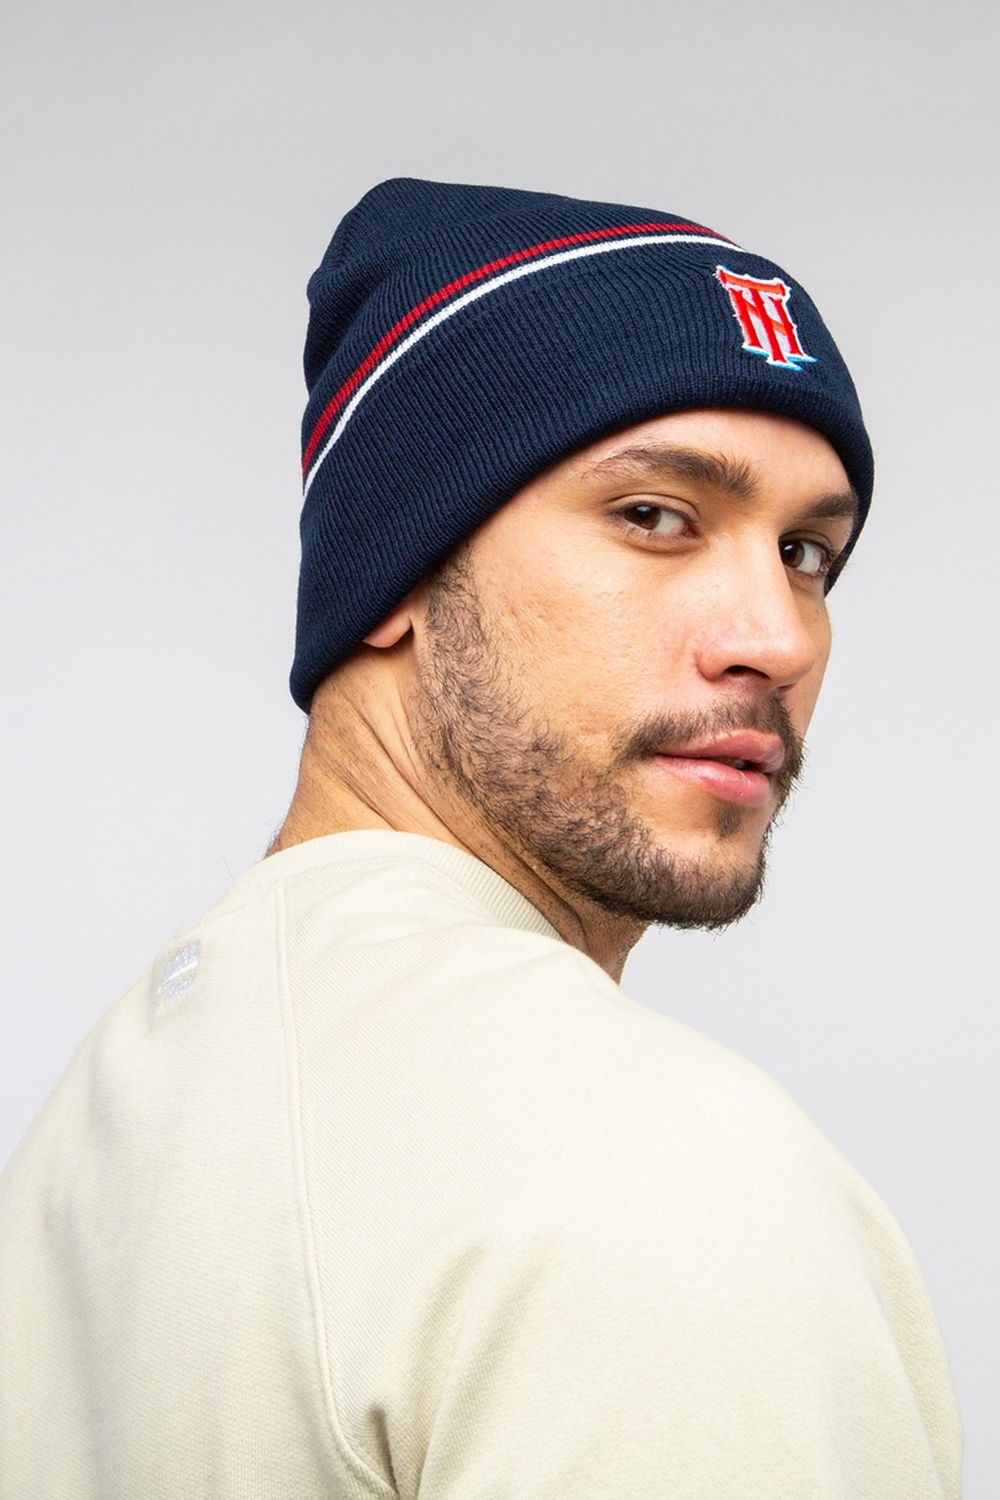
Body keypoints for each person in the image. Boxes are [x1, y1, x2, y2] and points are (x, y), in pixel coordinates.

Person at [0, 179, 961, 1498]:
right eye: (655, 516)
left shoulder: (96, 1132)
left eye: (806, 552)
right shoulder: (654, 1171)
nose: (779, 638)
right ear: (396, 562)